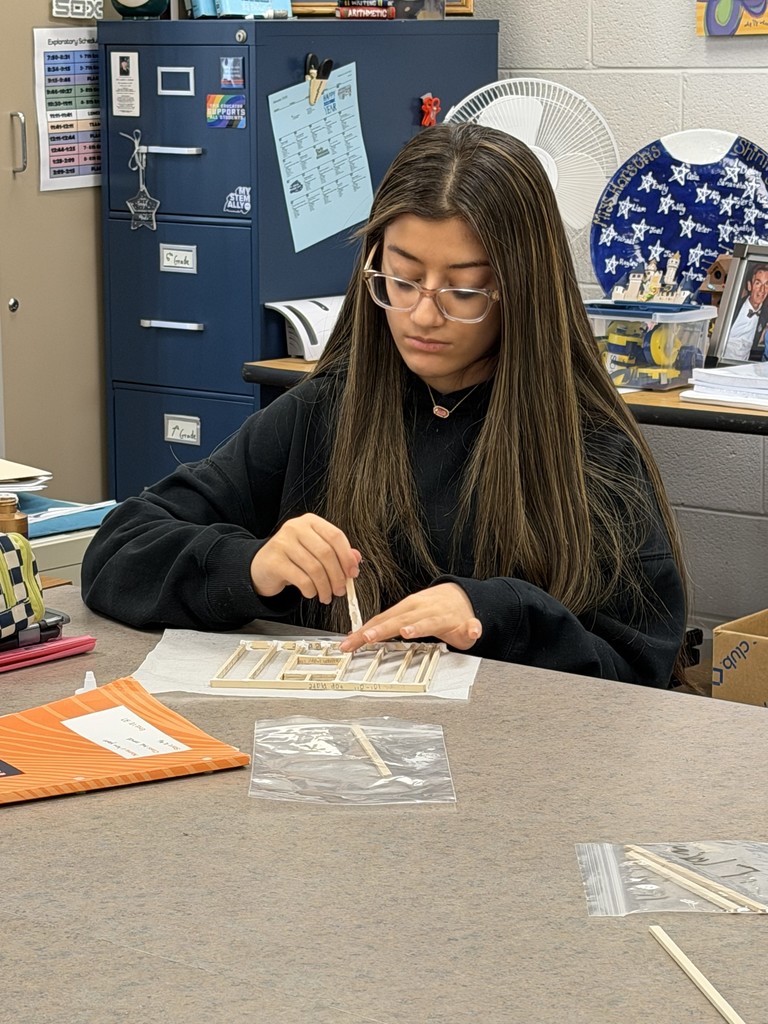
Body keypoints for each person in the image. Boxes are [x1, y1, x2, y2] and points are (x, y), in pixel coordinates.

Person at [81, 123, 687, 687]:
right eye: (402, 280)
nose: (423, 315)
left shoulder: (590, 447)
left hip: (516, 770)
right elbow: (117, 552)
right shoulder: (325, 410)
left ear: (522, 291)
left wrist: (498, 612)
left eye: (464, 289)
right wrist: (250, 566)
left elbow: (642, 674)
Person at [721, 261, 768, 362]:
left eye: (767, 284)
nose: (762, 290)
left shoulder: (765, 314)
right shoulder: (733, 307)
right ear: (750, 286)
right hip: (720, 365)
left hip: (743, 367)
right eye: (758, 283)